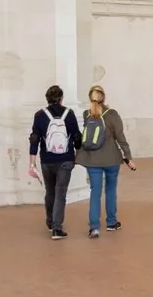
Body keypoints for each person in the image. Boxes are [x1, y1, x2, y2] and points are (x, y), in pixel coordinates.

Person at [75, 85, 136, 238]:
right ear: (104, 97)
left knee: (95, 192)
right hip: (111, 160)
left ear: (90, 98)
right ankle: (111, 223)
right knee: (110, 190)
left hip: (92, 159)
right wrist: (128, 157)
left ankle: (94, 227)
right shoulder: (112, 114)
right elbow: (120, 138)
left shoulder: (86, 114)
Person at [28, 85, 81, 240]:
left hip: (46, 159)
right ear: (61, 98)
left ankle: (51, 221)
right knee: (60, 193)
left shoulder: (39, 115)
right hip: (66, 159)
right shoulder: (69, 114)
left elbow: (34, 140)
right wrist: (77, 155)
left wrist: (32, 163)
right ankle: (57, 229)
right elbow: (77, 137)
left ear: (47, 98)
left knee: (50, 192)